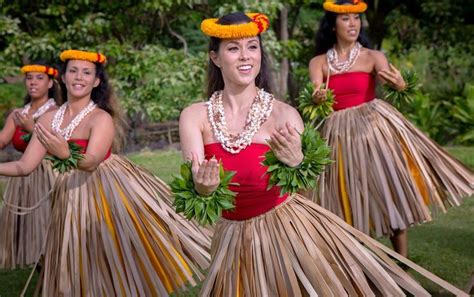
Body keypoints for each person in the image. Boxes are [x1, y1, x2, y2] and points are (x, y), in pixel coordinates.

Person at [179, 11, 467, 296]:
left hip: (285, 233)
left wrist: (297, 163)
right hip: (231, 237)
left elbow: (307, 192)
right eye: (233, 48)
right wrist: (204, 189)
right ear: (215, 57)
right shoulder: (194, 117)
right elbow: (196, 187)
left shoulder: (284, 115)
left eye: (252, 47)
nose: (245, 56)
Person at [0, 50, 210, 296]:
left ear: (96, 81)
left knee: (108, 257)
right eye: (73, 71)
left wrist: (64, 152)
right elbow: (25, 166)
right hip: (68, 195)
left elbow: (91, 161)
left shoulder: (101, 118)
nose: (79, 77)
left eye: (87, 72)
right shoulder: (47, 120)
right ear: (63, 78)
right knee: (74, 259)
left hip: (105, 192)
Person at [308, 0, 473, 257]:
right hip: (338, 134)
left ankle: (403, 261)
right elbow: (315, 94)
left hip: (373, 131)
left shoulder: (373, 57)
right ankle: (357, 259)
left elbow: (394, 82)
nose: (353, 23)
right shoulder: (319, 62)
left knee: (387, 189)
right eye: (345, 19)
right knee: (346, 194)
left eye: (356, 18)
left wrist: (400, 85)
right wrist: (317, 98)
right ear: (332, 25)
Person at [0, 62, 62, 268]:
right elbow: (2, 140)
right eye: (29, 78)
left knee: (48, 226)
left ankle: (55, 268)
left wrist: (32, 127)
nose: (33, 82)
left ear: (51, 83)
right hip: (22, 177)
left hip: (48, 176)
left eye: (39, 78)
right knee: (29, 230)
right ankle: (41, 268)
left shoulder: (57, 112)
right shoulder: (18, 114)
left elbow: (59, 146)